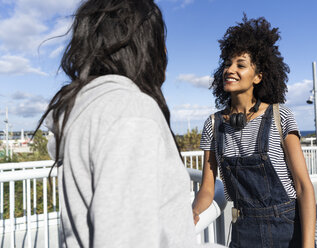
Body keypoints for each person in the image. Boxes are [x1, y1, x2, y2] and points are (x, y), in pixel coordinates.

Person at [36, 0, 224, 247]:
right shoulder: (130, 112)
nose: (166, 51)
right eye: (158, 39)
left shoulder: (86, 107)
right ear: (144, 46)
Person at [192, 16, 316, 248]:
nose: (230, 70)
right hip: (243, 231)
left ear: (258, 77)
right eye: (228, 64)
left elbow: (303, 186)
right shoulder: (212, 124)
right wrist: (193, 212)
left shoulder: (281, 116)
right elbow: (208, 187)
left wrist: (307, 246)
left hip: (288, 230)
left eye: (240, 65)